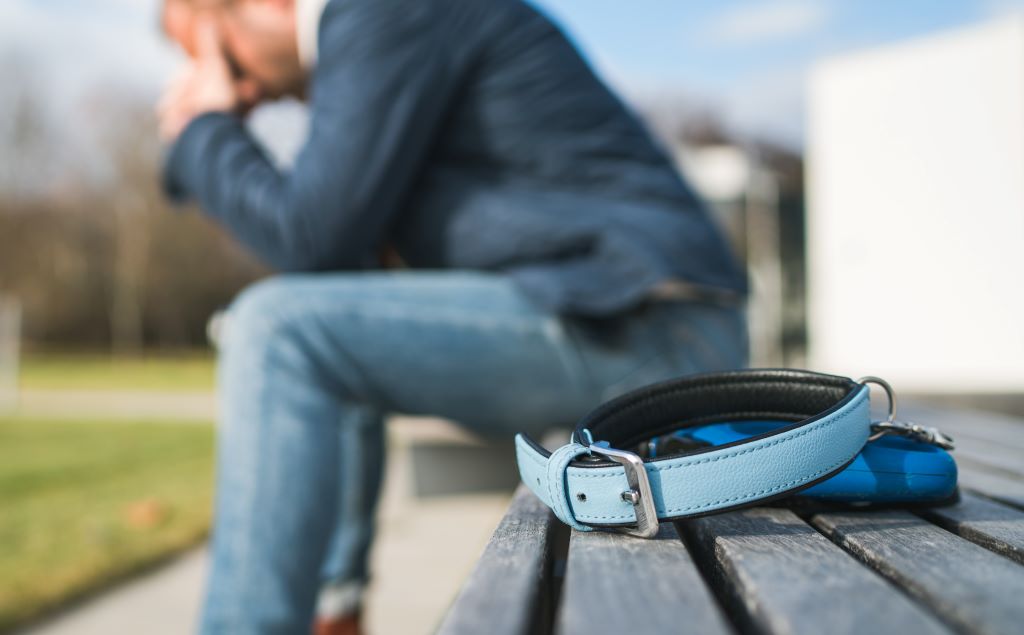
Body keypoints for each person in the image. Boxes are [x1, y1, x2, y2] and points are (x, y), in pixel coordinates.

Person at [157, 0, 750, 633]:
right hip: (616, 313)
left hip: (650, 322)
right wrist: (201, 135)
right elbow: (332, 258)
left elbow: (307, 234)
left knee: (276, 329)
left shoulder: (381, 11)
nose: (245, 95)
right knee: (321, 319)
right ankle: (334, 615)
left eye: (221, 58)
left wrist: (204, 126)